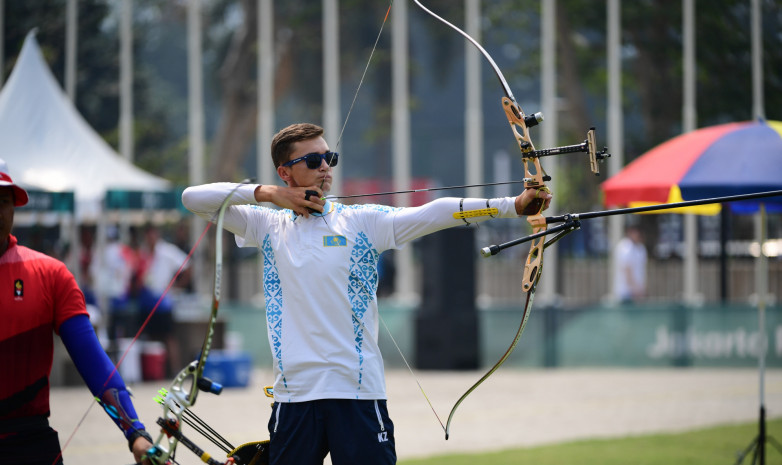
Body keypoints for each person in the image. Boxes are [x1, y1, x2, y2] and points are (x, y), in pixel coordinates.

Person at [181, 123, 551, 465]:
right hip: (293, 396)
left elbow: (435, 211)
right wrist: (268, 194)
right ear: (285, 172)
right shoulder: (265, 224)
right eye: (313, 160)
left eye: (330, 158)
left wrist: (513, 206)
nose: (325, 167)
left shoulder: (360, 222)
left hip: (356, 393)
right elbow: (192, 197)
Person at [0, 160, 153, 465]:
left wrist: (135, 432)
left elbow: (93, 361)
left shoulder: (49, 274)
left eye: (2, 201)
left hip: (28, 442)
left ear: (14, 208)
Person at [135, 223, 189, 377]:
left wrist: (177, 287)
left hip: (163, 302)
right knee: (150, 337)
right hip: (146, 301)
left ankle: (174, 370)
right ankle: (153, 372)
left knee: (169, 337)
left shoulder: (167, 251)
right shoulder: (142, 253)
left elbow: (187, 266)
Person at [614, 225, 648, 303]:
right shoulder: (625, 247)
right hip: (627, 293)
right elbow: (627, 270)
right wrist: (635, 290)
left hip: (638, 293)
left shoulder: (641, 248)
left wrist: (641, 289)